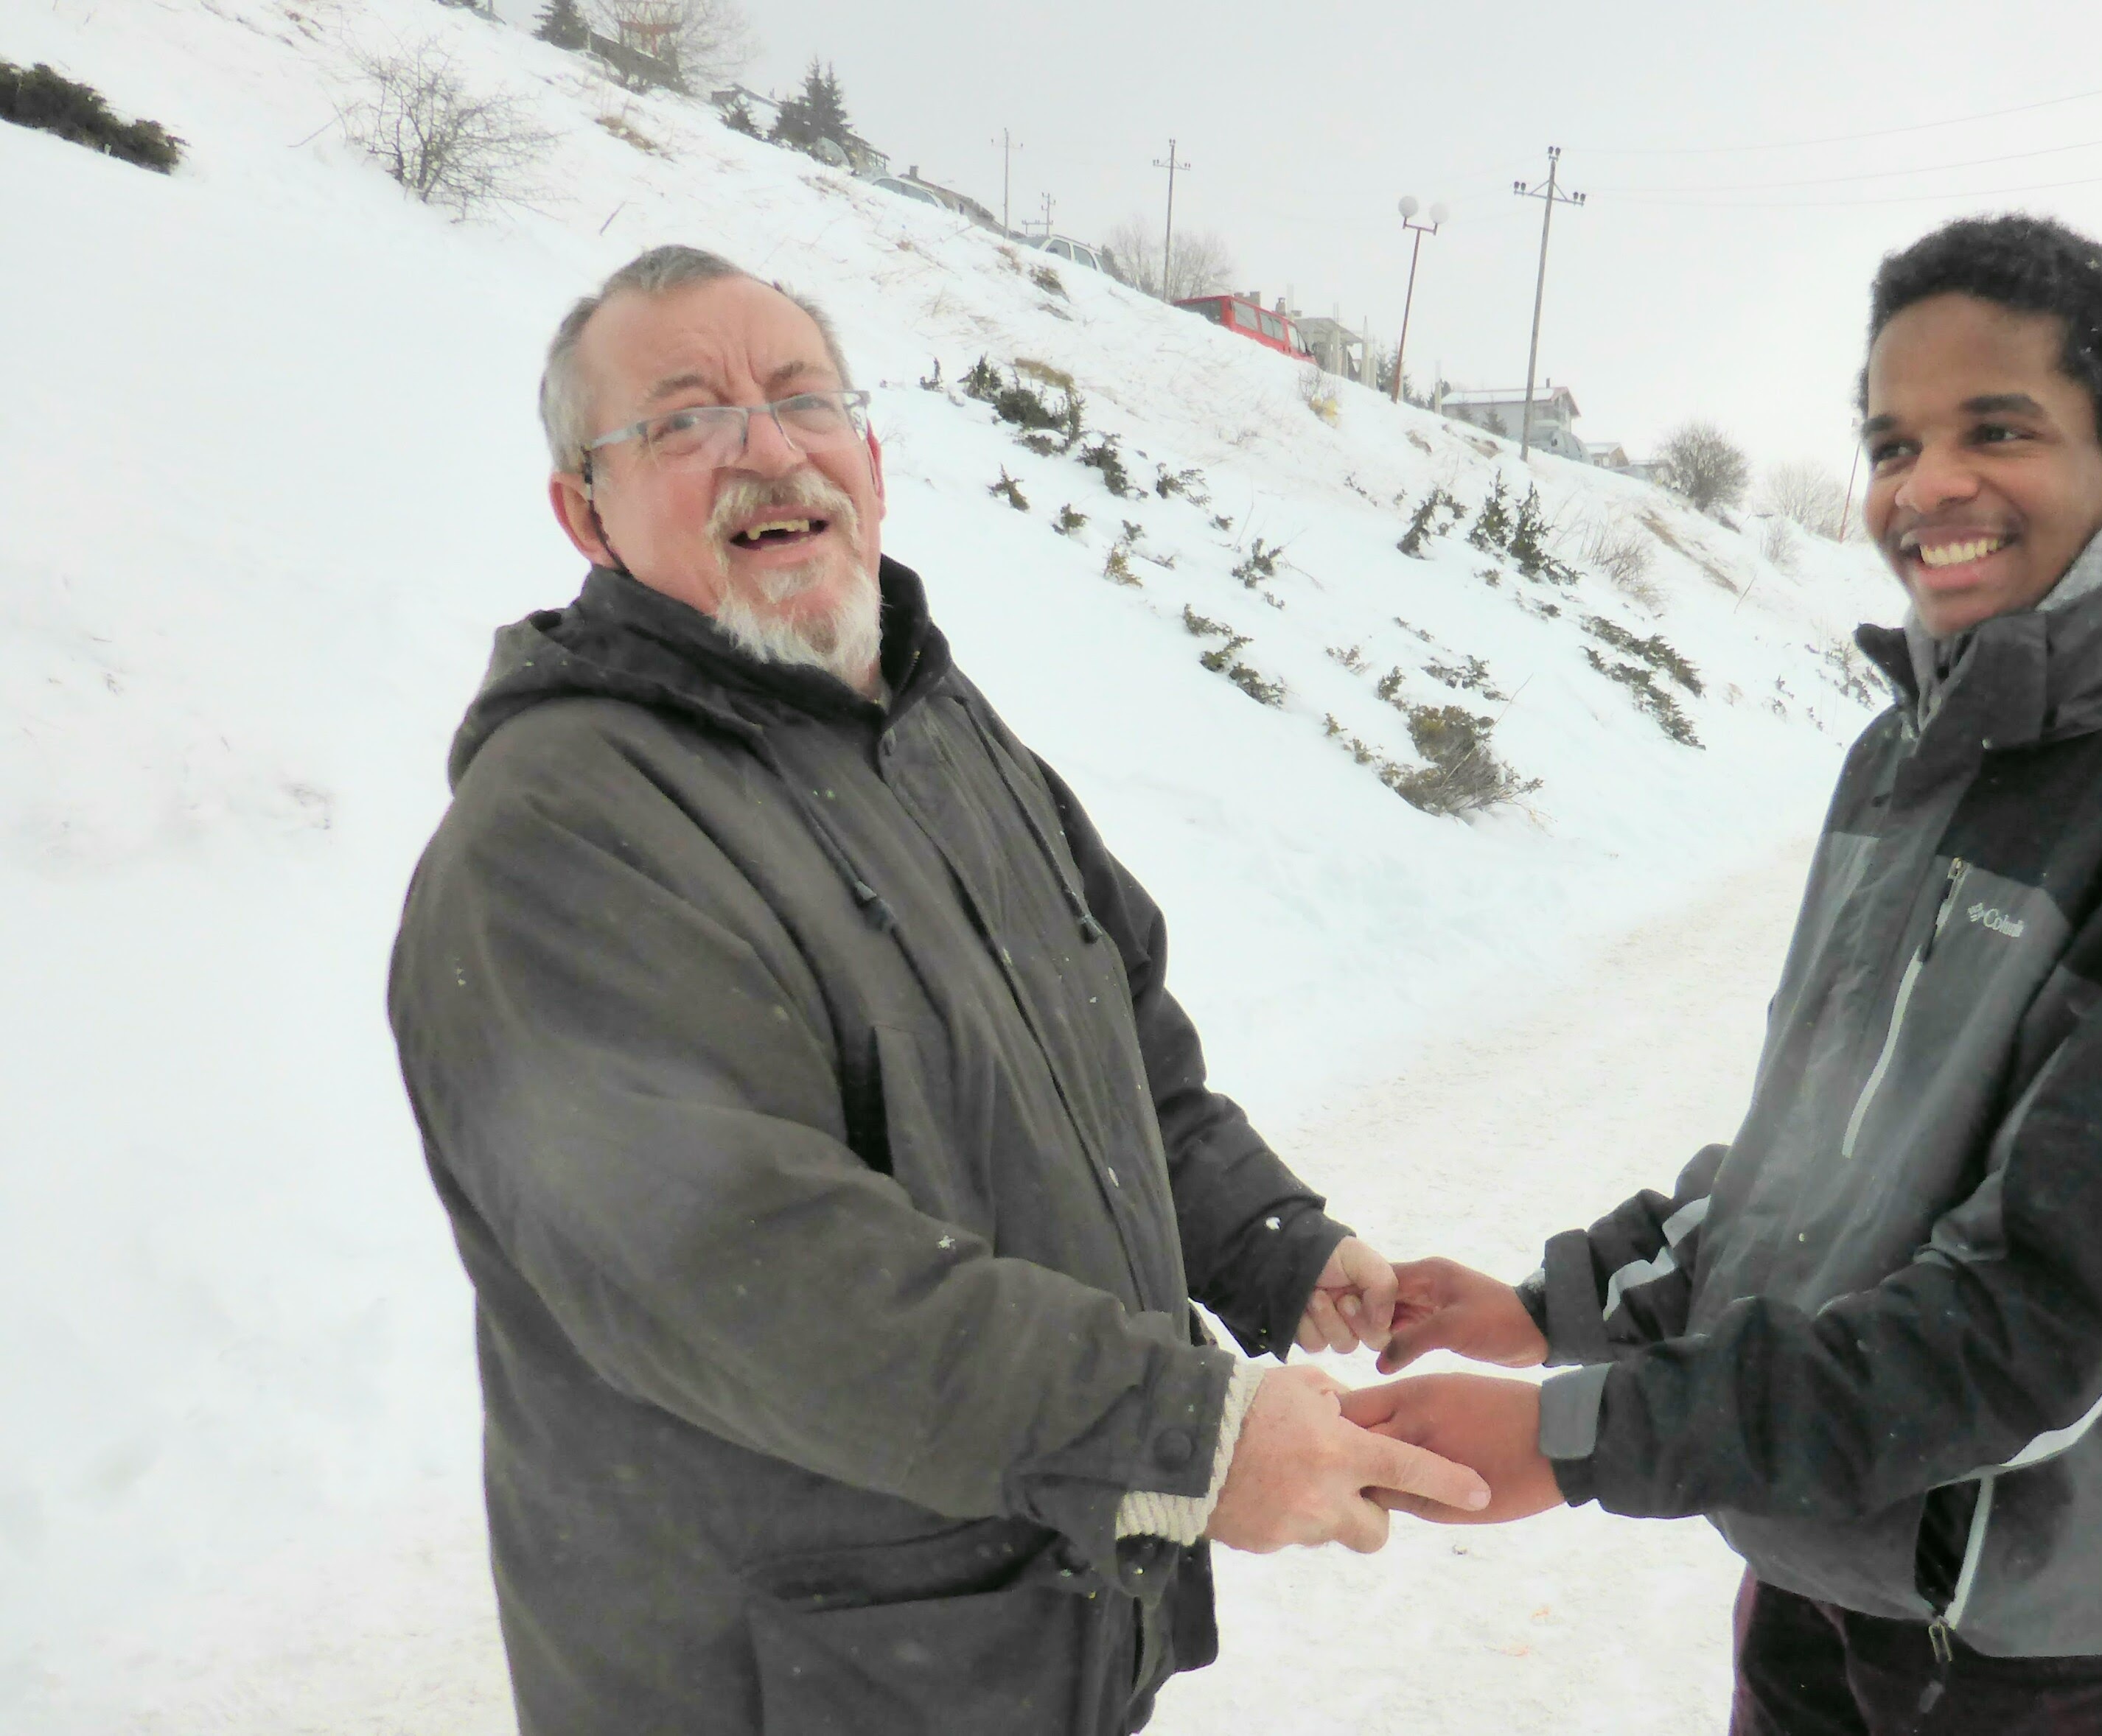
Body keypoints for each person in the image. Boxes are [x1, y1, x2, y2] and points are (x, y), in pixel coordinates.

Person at [385, 244, 1487, 1736]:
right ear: (584, 509)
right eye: (686, 418)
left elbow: (1119, 1051)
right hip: (788, 1683)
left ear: (872, 459)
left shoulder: (937, 728)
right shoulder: (564, 832)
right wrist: (1186, 1429)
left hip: (1017, 1650)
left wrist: (1271, 1239)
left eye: (800, 399)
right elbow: (747, 1270)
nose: (764, 448)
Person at [1347, 212, 2102, 1735]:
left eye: (1997, 429)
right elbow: (1815, 1167)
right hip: (1827, 1567)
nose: (1927, 487)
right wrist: (1544, 1307)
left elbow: (2041, 1310)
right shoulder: (1907, 755)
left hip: (2043, 1642)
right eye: (1891, 441)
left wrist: (1577, 1436)